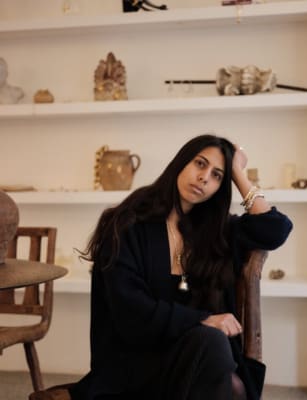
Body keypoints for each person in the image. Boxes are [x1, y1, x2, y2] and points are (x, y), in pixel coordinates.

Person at [71, 134, 293, 400]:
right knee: (220, 363)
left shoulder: (215, 231)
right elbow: (129, 310)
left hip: (199, 356)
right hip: (135, 363)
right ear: (181, 162)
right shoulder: (127, 223)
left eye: (217, 176)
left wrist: (238, 172)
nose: (204, 178)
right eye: (200, 164)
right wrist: (202, 320)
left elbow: (275, 229)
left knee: (217, 359)